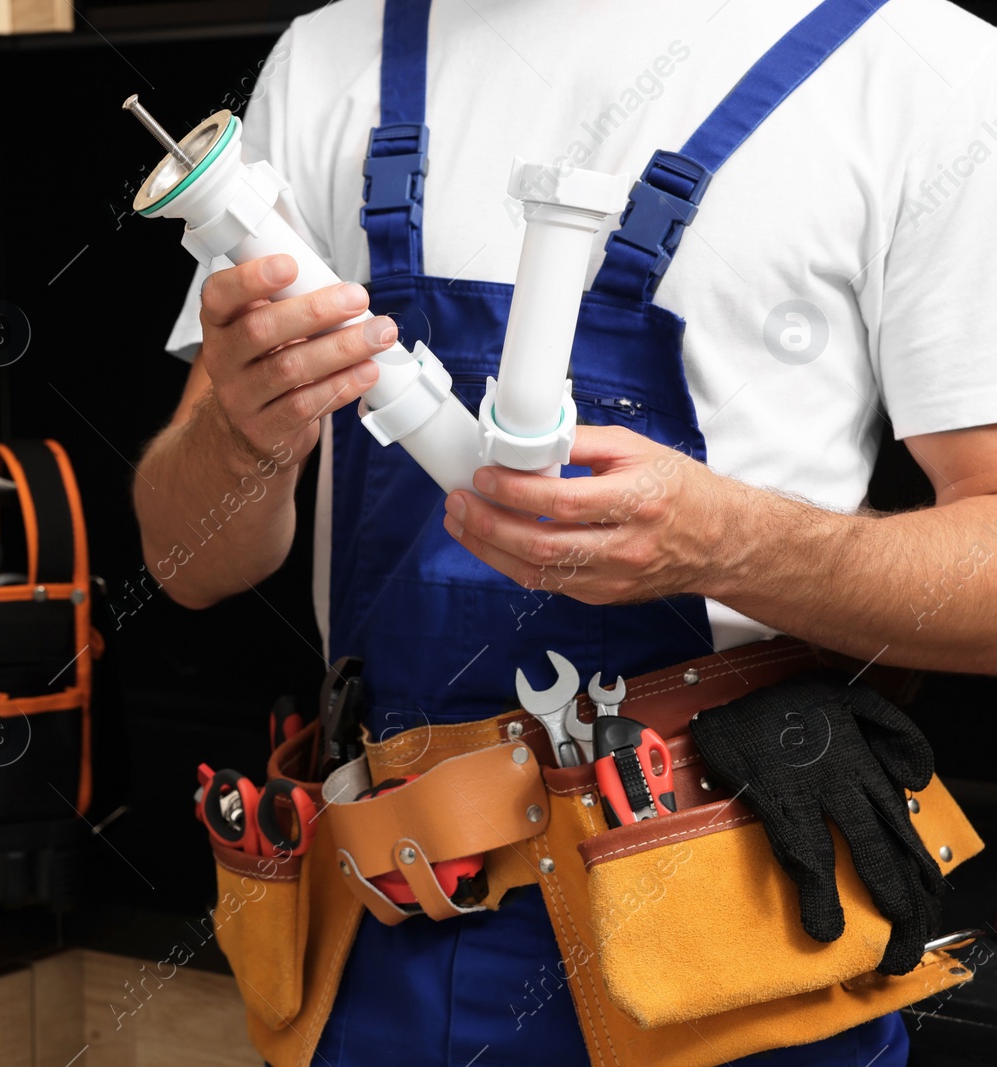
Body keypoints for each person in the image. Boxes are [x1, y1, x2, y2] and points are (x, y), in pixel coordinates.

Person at [133, 0, 997, 1063]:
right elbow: (184, 563)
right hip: (375, 922)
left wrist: (729, 544)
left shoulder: (917, 64)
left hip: (723, 930)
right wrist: (243, 437)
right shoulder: (330, 54)